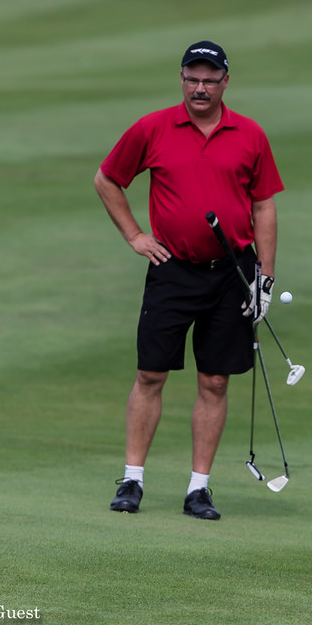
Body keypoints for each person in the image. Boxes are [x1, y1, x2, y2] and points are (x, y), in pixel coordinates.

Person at [94, 40, 284, 520]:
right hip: (172, 270)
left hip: (232, 273)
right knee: (150, 373)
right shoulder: (153, 127)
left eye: (209, 79)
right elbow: (107, 179)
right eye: (192, 78)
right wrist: (135, 235)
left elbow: (263, 206)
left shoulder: (250, 134)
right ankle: (132, 481)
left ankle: (198, 489)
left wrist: (265, 275)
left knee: (215, 381)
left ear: (225, 82)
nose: (200, 88)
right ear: (182, 78)